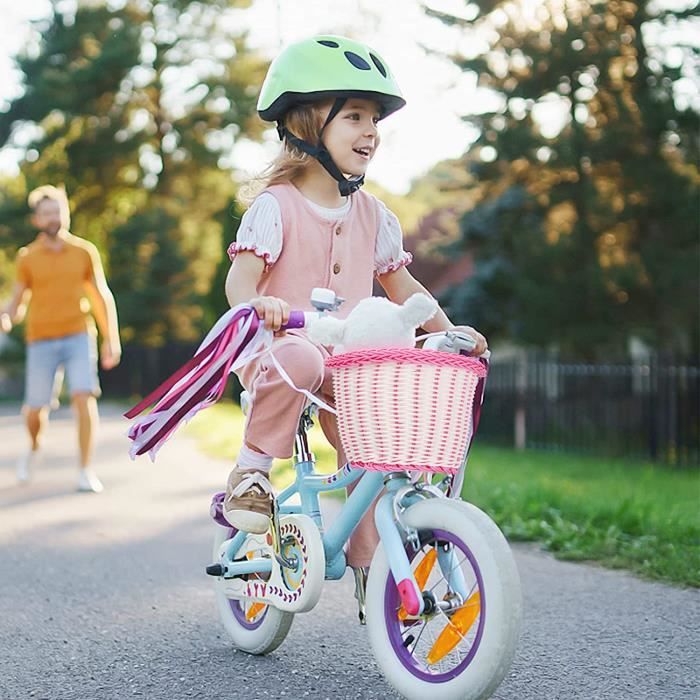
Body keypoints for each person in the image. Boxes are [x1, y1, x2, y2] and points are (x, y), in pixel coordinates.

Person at [222, 36, 488, 570]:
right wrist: (258, 306)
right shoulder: (276, 207)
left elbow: (405, 290)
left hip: (349, 363)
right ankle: (250, 474)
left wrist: (451, 331)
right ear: (307, 124)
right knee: (301, 356)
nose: (370, 132)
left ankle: (375, 566)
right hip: (282, 350)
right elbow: (240, 281)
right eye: (356, 117)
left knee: (374, 449)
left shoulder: (374, 215)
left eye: (375, 121)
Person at [1, 185, 122, 492]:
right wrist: (6, 315)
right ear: (37, 220)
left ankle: (85, 469)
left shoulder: (84, 251)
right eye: (47, 213)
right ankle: (33, 446)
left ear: (65, 214)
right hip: (40, 339)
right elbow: (17, 302)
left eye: (58, 211)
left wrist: (111, 338)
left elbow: (100, 296)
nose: (54, 217)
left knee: (83, 395)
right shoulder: (27, 257)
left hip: (78, 334)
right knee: (35, 408)